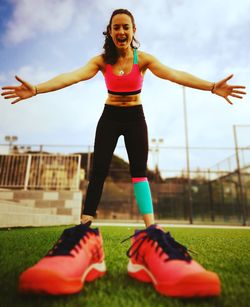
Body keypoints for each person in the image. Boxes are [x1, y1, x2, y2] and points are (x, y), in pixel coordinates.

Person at [1, 8, 246, 298]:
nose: (121, 32)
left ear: (133, 31)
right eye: (116, 27)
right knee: (99, 172)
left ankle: (151, 229)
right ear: (110, 31)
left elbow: (174, 75)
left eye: (125, 27)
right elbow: (72, 76)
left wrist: (211, 87)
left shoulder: (144, 60)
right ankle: (85, 228)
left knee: (139, 174)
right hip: (110, 117)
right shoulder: (102, 61)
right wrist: (38, 89)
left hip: (135, 118)